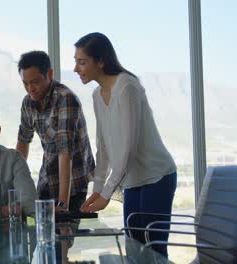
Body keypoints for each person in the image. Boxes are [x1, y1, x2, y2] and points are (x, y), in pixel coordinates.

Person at [75, 32, 177, 256]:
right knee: (133, 251)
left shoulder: (126, 86)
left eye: (82, 62)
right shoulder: (96, 95)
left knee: (153, 251)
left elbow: (127, 150)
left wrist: (107, 194)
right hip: (133, 181)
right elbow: (104, 149)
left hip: (157, 176)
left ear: (100, 61)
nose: (76, 69)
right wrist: (98, 188)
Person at [16, 51, 95, 213]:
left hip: (73, 182)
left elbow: (65, 152)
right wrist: (16, 183)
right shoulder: (28, 103)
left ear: (49, 74)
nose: (31, 88)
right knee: (42, 233)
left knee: (65, 233)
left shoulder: (65, 99)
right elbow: (23, 141)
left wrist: (62, 204)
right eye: (25, 83)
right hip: (48, 178)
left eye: (35, 82)